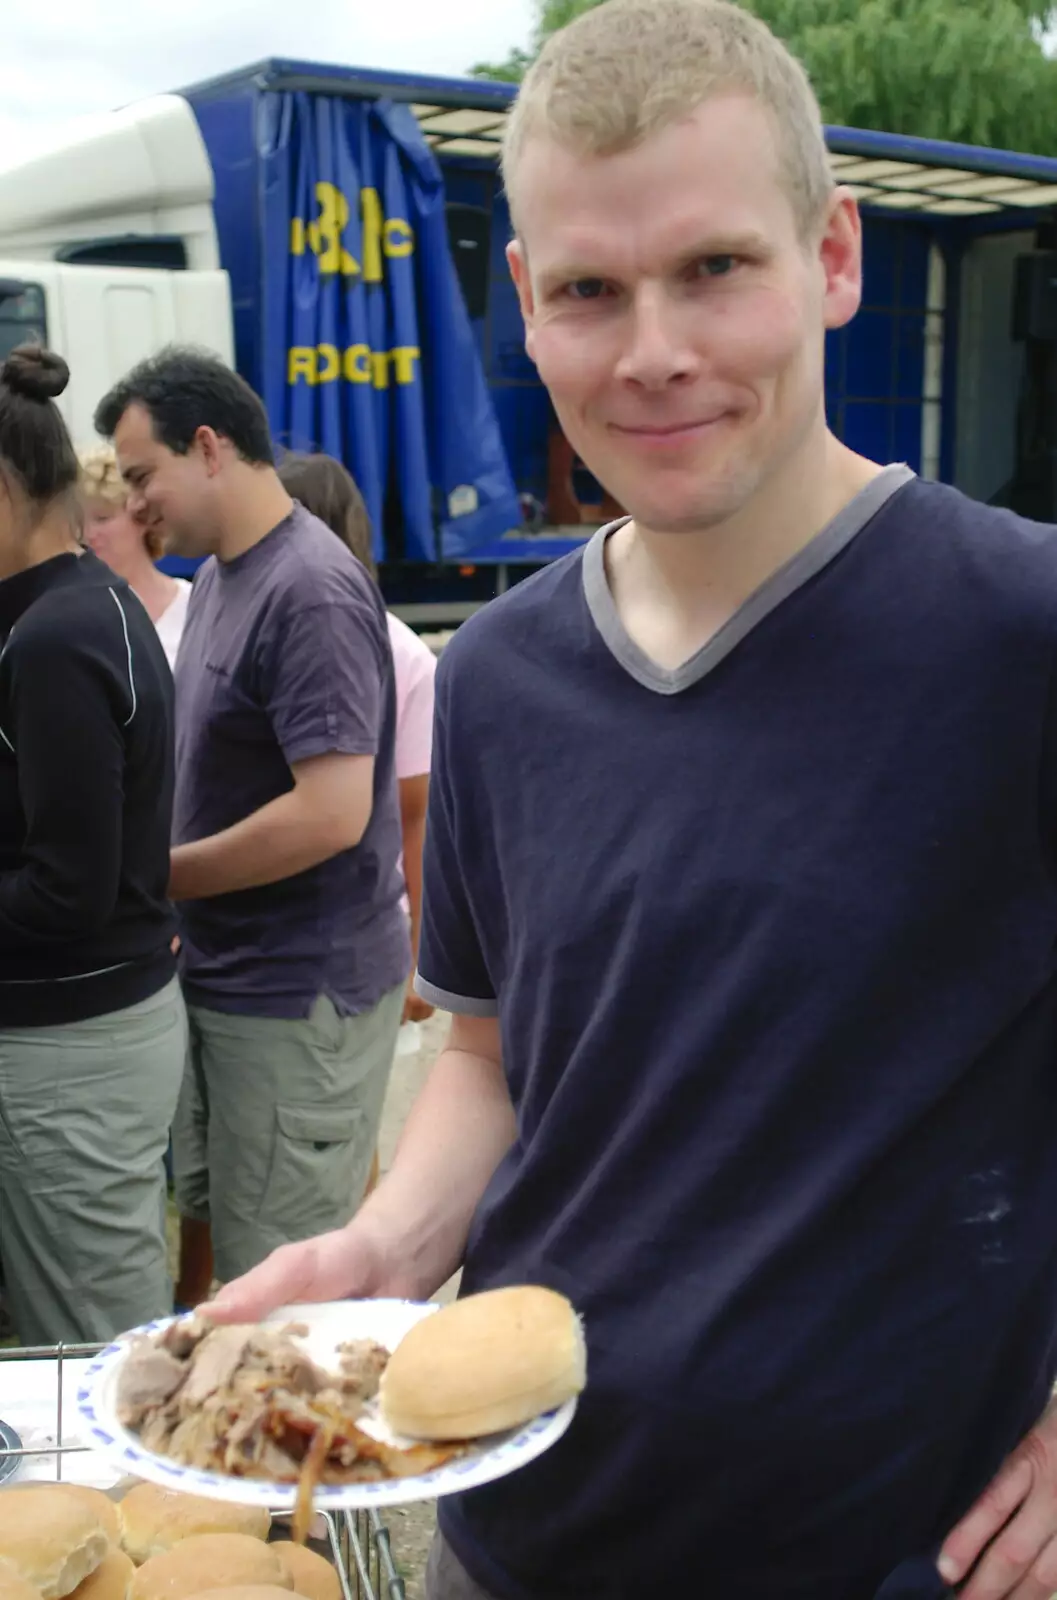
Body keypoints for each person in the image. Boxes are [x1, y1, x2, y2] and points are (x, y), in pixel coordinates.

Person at [204, 3, 1057, 1597]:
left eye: (714, 268)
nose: (652, 348)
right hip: (519, 1532)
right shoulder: (507, 676)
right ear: (525, 304)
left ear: (834, 257)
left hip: (895, 1552)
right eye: (591, 290)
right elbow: (491, 1054)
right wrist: (382, 1252)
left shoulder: (1019, 633)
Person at [94, 349, 409, 1310]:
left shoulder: (307, 588)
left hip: (294, 998)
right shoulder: (230, 576)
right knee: (235, 1249)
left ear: (208, 446)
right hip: (233, 984)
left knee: (283, 1303)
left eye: (144, 476)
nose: (139, 504)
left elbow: (330, 812)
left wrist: (159, 875)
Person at [0, 344, 184, 1346]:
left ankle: (137, 1508)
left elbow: (69, 889)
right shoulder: (74, 605)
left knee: (90, 1351)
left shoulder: (55, 639)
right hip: (90, 1033)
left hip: (69, 1055)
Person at [275, 453, 437, 1028]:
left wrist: (421, 956)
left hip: (354, 944)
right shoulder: (241, 626)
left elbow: (416, 816)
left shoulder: (399, 653)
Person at [78, 443, 191, 670]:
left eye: (102, 518)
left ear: (141, 516)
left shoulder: (193, 604)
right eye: (81, 522)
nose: (89, 534)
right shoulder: (74, 612)